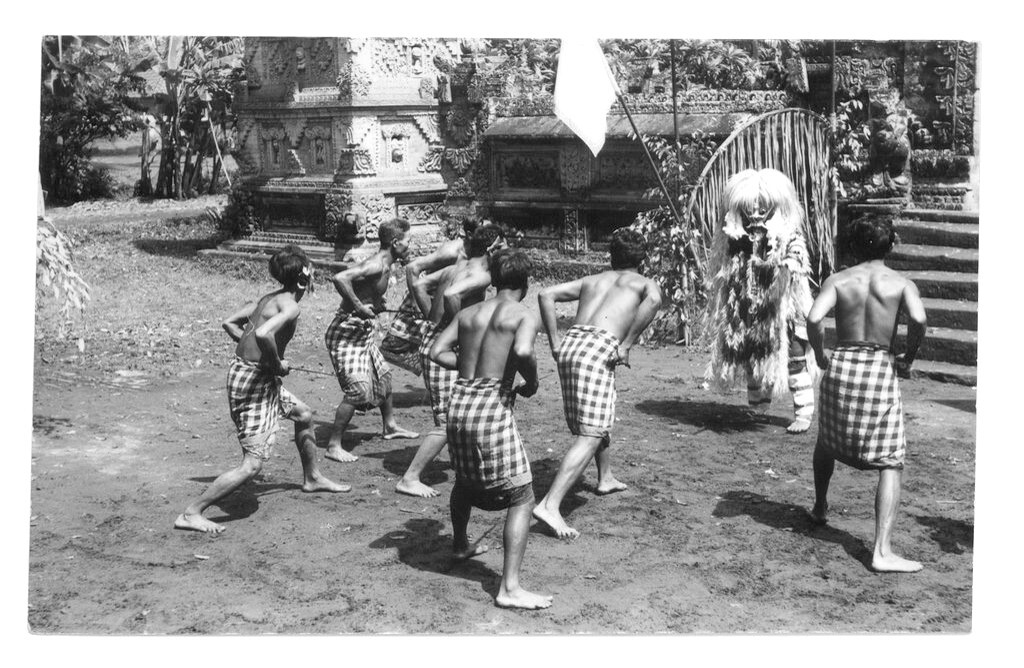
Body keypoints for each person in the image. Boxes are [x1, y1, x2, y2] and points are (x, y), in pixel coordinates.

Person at [175, 246, 349, 534]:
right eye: (311, 267)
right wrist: (275, 362)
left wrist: (257, 357)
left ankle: (313, 477)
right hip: (254, 381)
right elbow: (262, 333)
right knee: (252, 465)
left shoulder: (269, 298)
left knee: (303, 414)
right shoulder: (290, 305)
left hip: (254, 375)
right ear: (304, 277)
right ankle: (191, 512)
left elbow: (230, 323)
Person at [429, 248, 553, 610]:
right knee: (522, 495)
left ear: (494, 280)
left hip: (459, 402)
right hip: (491, 405)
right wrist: (530, 383)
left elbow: (437, 352)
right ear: (525, 284)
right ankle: (509, 587)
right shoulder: (523, 315)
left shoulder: (468, 312)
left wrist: (468, 365)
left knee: (465, 480)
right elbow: (526, 352)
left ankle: (459, 543)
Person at [806, 215, 927, 573]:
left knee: (827, 439)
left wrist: (819, 353)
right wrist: (908, 356)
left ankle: (820, 506)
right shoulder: (901, 283)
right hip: (877, 366)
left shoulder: (839, 279)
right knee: (891, 459)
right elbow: (919, 320)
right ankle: (882, 551)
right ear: (890, 245)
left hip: (842, 363)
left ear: (854, 245)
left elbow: (813, 319)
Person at [532, 228, 662, 539]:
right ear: (642, 260)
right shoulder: (643, 283)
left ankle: (605, 477)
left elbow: (544, 294)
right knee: (591, 431)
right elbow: (655, 300)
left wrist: (553, 341)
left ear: (611, 256)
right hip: (600, 347)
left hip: (573, 344)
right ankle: (550, 505)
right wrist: (628, 342)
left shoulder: (593, 280)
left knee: (596, 418)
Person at [396, 224, 508, 497]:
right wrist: (457, 328)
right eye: (502, 246)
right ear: (492, 248)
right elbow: (450, 295)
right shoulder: (482, 275)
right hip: (443, 349)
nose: (505, 250)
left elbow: (421, 284)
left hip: (435, 342)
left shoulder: (456, 267)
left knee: (462, 409)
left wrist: (433, 320)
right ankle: (410, 477)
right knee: (446, 421)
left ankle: (474, 466)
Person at [704, 168, 817, 433]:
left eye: (762, 207)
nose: (756, 213)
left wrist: (783, 265)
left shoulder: (788, 232)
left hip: (784, 307)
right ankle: (759, 407)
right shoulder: (733, 232)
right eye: (751, 207)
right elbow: (722, 265)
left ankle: (803, 412)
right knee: (752, 355)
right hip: (749, 307)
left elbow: (797, 257)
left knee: (794, 358)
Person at [324, 218, 418, 462]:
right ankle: (334, 444)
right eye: (408, 241)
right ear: (396, 243)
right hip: (346, 333)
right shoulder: (376, 264)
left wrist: (376, 304)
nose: (410, 246)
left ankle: (390, 426)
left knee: (383, 377)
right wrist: (357, 305)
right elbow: (340, 278)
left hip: (362, 333)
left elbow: (367, 290)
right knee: (358, 391)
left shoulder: (388, 266)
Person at [379, 216, 479, 376]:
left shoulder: (478, 253)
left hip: (448, 300)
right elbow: (412, 268)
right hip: (426, 298)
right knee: (412, 345)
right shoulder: (452, 251)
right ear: (470, 234)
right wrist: (418, 306)